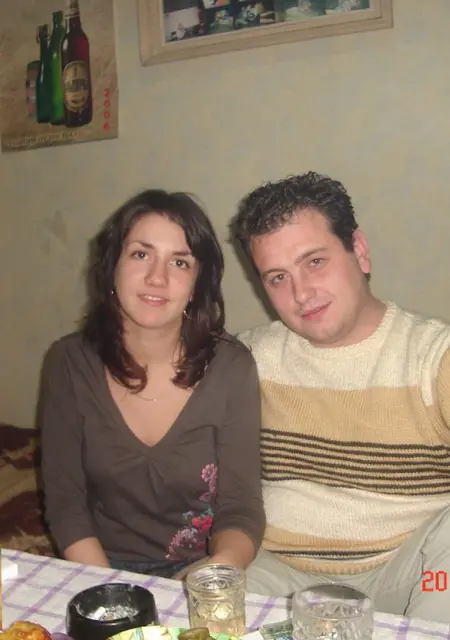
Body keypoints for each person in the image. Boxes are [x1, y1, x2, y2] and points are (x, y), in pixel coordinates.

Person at [231, 171, 450, 622]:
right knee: (205, 595)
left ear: (360, 251)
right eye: (278, 277)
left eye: (314, 261)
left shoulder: (433, 359)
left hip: (409, 580)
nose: (301, 293)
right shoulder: (248, 358)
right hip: (280, 579)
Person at [40, 189, 265, 579]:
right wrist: (113, 589)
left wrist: (210, 576)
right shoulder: (68, 363)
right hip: (98, 564)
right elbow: (66, 505)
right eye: (140, 254)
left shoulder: (231, 367)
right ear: (112, 265)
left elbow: (241, 507)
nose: (157, 278)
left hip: (200, 567)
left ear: (197, 282)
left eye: (180, 262)